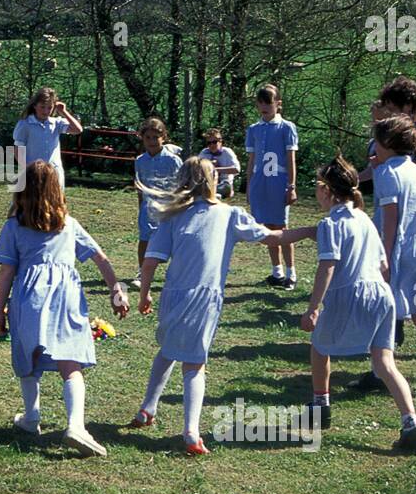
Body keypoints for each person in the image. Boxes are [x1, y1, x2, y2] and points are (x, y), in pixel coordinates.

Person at [129, 158, 311, 454]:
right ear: (213, 182)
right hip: (205, 298)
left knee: (169, 350)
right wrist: (309, 231)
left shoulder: (173, 216)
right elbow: (273, 237)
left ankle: (147, 409)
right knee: (195, 363)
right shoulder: (229, 215)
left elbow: (150, 261)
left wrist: (145, 294)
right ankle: (190, 432)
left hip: (173, 296)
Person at [0, 160, 129, 458]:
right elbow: (101, 258)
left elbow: (6, 272)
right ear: (57, 190)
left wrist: (0, 310)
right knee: (72, 363)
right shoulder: (69, 224)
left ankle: (31, 417)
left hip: (29, 298)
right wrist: (116, 289)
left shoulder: (14, 226)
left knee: (29, 357)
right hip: (66, 297)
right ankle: (76, 425)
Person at [301, 156, 416, 454]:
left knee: (319, 347)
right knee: (385, 363)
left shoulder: (332, 223)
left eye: (318, 186)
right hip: (383, 296)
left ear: (327, 190)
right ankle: (412, 423)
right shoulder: (364, 219)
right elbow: (383, 265)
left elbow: (327, 267)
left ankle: (321, 404)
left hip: (351, 293)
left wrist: (313, 307)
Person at [361, 116, 416, 395]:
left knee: (384, 311)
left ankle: (380, 373)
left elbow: (390, 217)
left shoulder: (387, 173)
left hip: (400, 249)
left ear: (386, 144)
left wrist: (384, 258)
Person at [245, 83, 299, 289]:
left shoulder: (286, 127)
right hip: (261, 183)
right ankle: (276, 271)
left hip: (279, 181)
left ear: (278, 104)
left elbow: (290, 158)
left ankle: (290, 272)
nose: (264, 107)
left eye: (268, 102)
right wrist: (249, 186)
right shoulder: (254, 129)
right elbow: (252, 160)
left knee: (281, 227)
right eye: (260, 103)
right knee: (266, 228)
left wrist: (291, 186)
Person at [131, 117, 182, 290]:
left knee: (173, 241)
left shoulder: (173, 160)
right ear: (142, 138)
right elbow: (140, 185)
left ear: (164, 137)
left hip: (169, 207)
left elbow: (181, 184)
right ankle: (142, 272)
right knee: (145, 240)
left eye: (156, 137)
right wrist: (140, 206)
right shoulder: (140, 161)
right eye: (148, 138)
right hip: (148, 208)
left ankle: (176, 273)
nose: (152, 141)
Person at [11, 87, 82, 191]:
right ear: (35, 106)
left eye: (49, 108)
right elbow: (18, 149)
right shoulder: (25, 124)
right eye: (42, 107)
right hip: (33, 172)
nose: (46, 111)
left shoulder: (56, 123)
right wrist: (26, 168)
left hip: (54, 172)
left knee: (55, 203)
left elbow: (78, 129)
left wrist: (64, 112)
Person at [197, 128, 240, 198]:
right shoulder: (204, 153)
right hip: (208, 184)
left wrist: (215, 169)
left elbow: (237, 169)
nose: (211, 145)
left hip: (223, 184)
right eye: (209, 143)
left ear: (220, 141)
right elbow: (196, 169)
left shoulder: (227, 152)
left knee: (225, 187)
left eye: (214, 142)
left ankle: (213, 193)